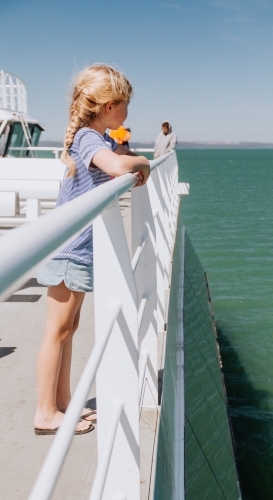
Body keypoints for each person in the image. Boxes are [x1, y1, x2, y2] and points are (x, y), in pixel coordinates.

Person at [33, 64, 150, 435]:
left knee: (69, 329)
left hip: (79, 249)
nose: (129, 111)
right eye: (126, 104)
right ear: (110, 105)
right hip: (70, 249)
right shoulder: (87, 138)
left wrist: (127, 155)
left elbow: (115, 163)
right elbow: (118, 166)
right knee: (57, 330)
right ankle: (44, 411)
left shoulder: (97, 138)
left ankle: (63, 402)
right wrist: (143, 162)